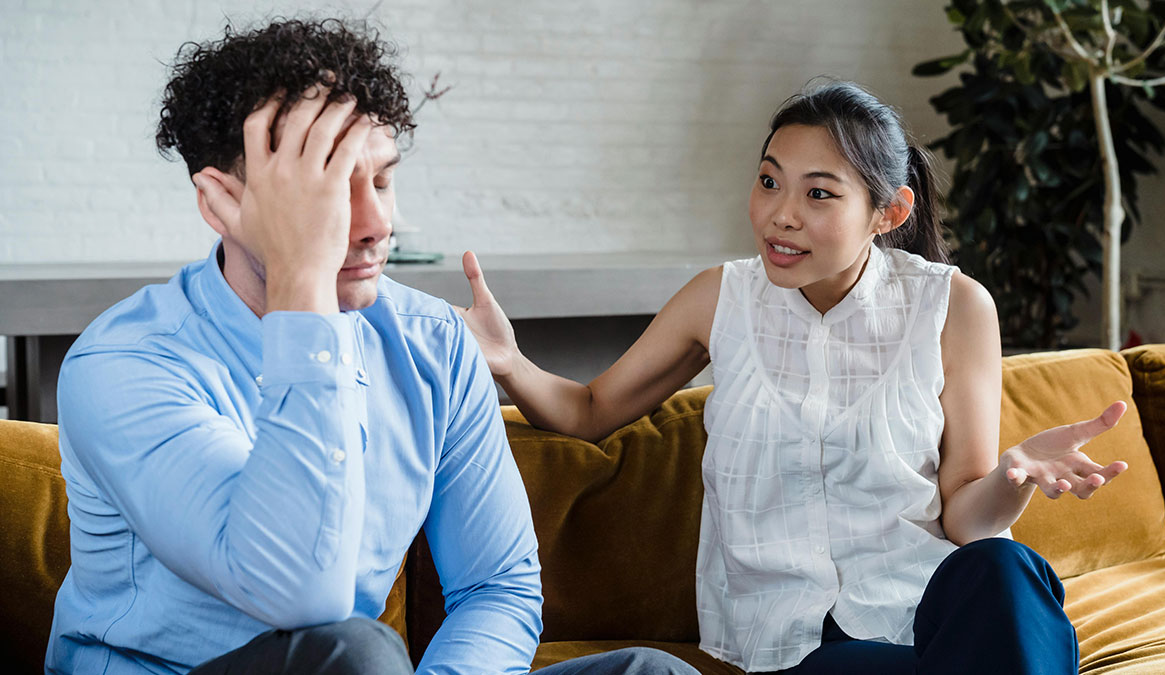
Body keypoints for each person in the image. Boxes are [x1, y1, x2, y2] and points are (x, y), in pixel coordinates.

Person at [46, 18, 698, 675]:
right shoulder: (123, 364)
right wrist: (303, 283)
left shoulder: (434, 342)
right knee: (354, 651)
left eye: (382, 182)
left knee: (650, 672)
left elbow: (498, 587)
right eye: (328, 189)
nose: (377, 223)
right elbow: (300, 594)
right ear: (222, 201)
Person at [456, 80, 1128, 674]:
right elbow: (590, 407)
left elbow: (965, 517)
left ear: (889, 212)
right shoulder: (720, 298)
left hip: (933, 612)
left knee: (1003, 568)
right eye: (770, 181)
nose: (781, 213)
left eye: (819, 194)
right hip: (799, 647)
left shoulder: (953, 307)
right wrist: (510, 362)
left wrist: (1011, 475)